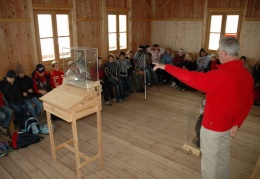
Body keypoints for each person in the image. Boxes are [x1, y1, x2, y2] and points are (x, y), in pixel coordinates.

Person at [153, 36, 254, 179]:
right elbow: (247, 104)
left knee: (210, 163)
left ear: (224, 53)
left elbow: (191, 77)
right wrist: (237, 123)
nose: (218, 53)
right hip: (231, 127)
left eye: (219, 50)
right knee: (224, 157)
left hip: (213, 128)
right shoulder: (247, 76)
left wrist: (166, 67)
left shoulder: (219, 76)